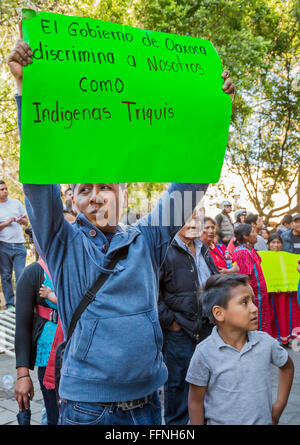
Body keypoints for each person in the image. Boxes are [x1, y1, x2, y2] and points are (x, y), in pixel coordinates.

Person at [8, 36, 235, 425]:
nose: (95, 197)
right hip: (88, 409)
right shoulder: (62, 243)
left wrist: (214, 114)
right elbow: (37, 177)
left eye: (106, 187)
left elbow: (189, 187)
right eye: (84, 189)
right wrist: (27, 92)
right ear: (71, 200)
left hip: (150, 404)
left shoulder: (147, 238)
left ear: (124, 193)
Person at [186, 274, 294, 425]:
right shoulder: (204, 353)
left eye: (253, 300)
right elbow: (195, 402)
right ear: (219, 313)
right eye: (244, 302)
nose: (254, 308)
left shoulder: (265, 343)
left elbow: (287, 367)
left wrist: (278, 407)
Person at [158, 211, 219, 425]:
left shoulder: (203, 249)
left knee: (206, 382)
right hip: (180, 331)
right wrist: (171, 322)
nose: (193, 224)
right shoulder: (165, 250)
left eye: (197, 219)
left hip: (207, 327)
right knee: (178, 385)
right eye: (187, 219)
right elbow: (152, 292)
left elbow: (214, 281)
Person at [14, 256, 59, 424]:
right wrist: (23, 376)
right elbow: (22, 327)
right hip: (50, 361)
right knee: (55, 416)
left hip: (82, 358)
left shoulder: (78, 265)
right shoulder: (33, 273)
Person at [232, 223, 272, 335]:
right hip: (254, 298)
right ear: (245, 236)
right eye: (253, 232)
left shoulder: (250, 250)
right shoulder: (242, 252)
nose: (256, 234)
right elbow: (244, 278)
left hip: (260, 296)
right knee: (255, 324)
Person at [267, 233, 300, 345]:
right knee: (277, 316)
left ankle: (288, 338)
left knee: (288, 315)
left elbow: (292, 272)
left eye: (278, 242)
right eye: (273, 242)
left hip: (288, 293)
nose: (276, 245)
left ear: (282, 244)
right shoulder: (264, 258)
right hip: (274, 294)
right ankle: (277, 339)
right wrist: (272, 287)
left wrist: (292, 286)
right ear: (268, 244)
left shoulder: (288, 256)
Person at [0, 180, 28, 309]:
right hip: (3, 245)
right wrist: (7, 222)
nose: (5, 191)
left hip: (19, 245)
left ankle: (22, 304)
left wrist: (21, 220)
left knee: (21, 275)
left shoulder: (16, 203)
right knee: (6, 276)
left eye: (6, 189)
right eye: (2, 190)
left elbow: (26, 222)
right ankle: (10, 304)